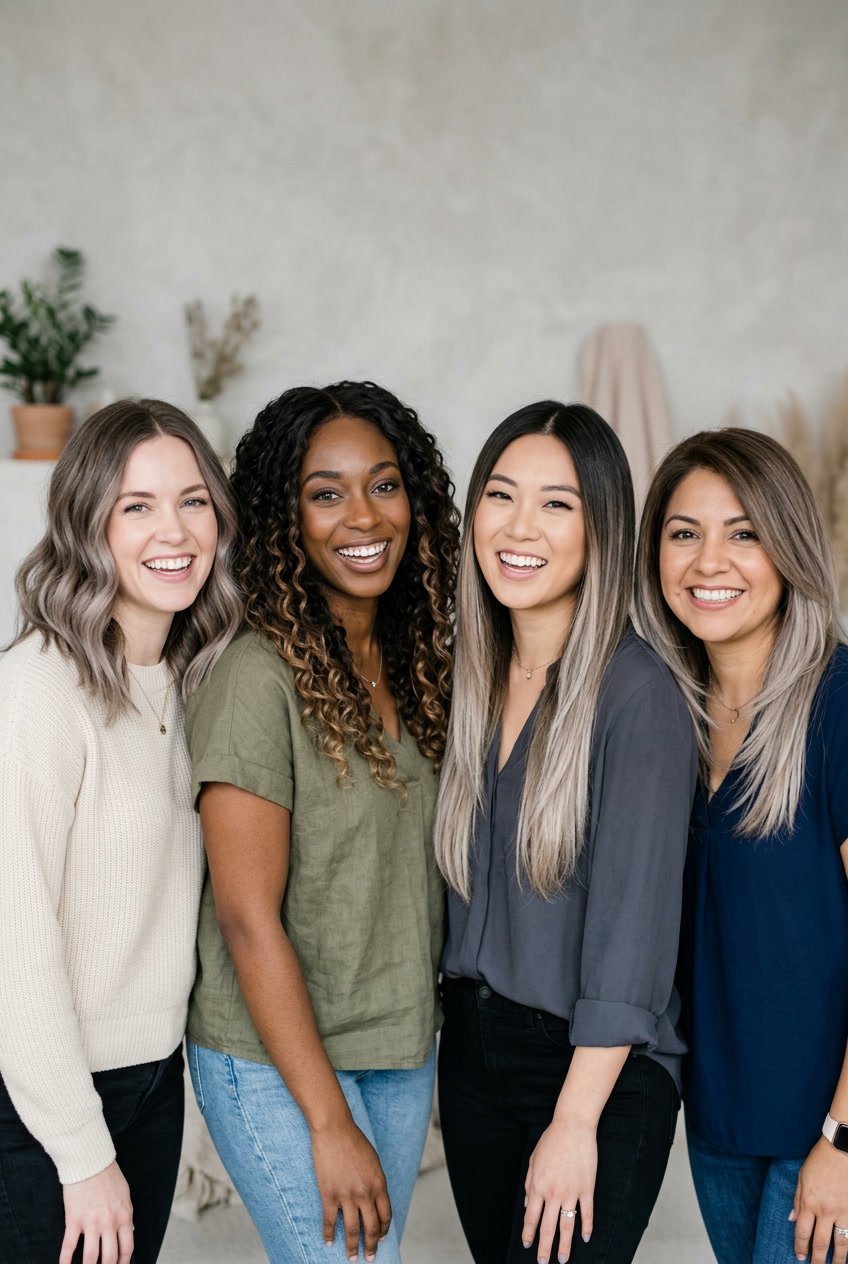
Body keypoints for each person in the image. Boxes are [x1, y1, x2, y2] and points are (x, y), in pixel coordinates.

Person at [184, 380, 459, 1264]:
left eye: (383, 484)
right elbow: (243, 918)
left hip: (397, 1039)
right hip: (275, 1060)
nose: (362, 517)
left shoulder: (418, 663)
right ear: (284, 519)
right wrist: (329, 1122)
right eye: (325, 492)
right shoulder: (256, 678)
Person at [434, 400, 697, 1264]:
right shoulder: (470, 679)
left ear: (602, 529)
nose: (520, 527)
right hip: (473, 1056)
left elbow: (634, 940)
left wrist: (576, 1122)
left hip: (594, 1074)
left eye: (557, 504)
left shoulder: (638, 693)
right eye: (501, 496)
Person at [0, 399, 241, 1264]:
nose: (171, 531)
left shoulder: (191, 679)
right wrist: (80, 1149)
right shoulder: (36, 693)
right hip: (40, 1102)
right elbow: (14, 947)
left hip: (151, 1081)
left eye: (192, 500)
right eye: (135, 506)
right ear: (85, 523)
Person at [635, 427, 848, 1264]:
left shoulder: (836, 705)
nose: (708, 562)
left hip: (822, 1129)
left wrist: (843, 1139)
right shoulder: (664, 721)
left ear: (788, 546)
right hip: (718, 1118)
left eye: (744, 533)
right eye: (685, 533)